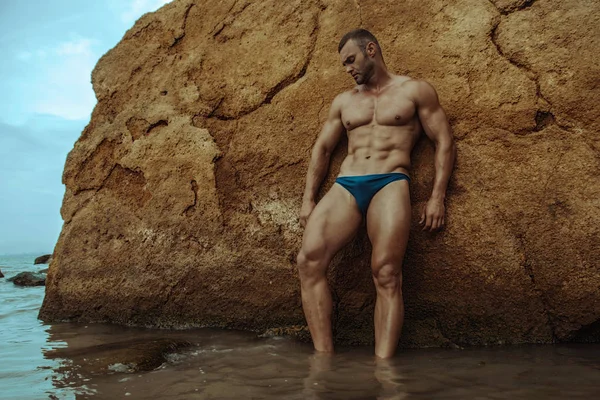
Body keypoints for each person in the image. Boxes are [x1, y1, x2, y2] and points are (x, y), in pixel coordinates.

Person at [297, 29, 456, 358]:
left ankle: (384, 371)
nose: (348, 69)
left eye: (351, 60)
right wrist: (308, 198)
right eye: (343, 65)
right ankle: (323, 362)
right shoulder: (344, 101)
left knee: (386, 272)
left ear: (371, 49)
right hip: (347, 184)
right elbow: (323, 149)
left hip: (390, 181)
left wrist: (437, 196)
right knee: (308, 261)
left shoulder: (415, 91)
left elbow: (443, 141)